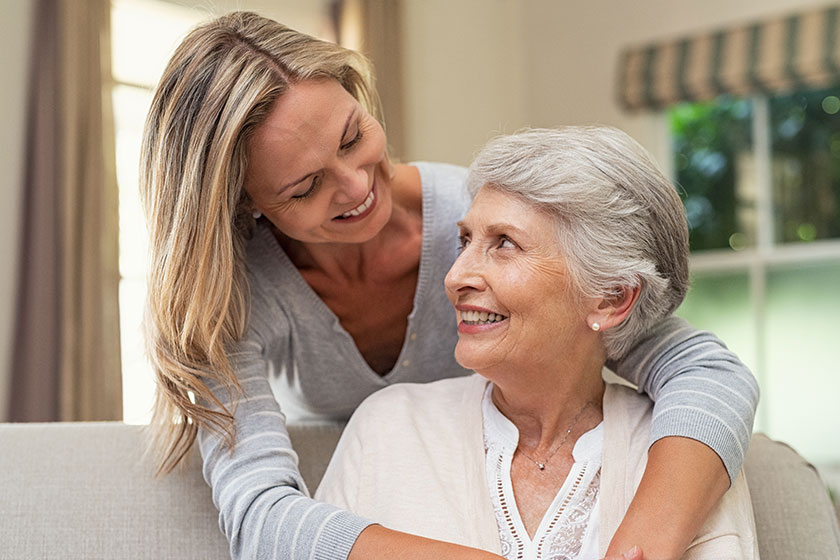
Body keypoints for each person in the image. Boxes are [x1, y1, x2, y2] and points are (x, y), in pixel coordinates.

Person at [140, 12, 759, 560]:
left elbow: (699, 366)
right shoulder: (231, 297)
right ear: (245, 204)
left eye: (353, 138)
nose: (357, 188)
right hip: (362, 505)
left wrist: (640, 545)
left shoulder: (480, 217)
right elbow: (260, 520)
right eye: (303, 187)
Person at [316, 126, 760, 559]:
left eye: (505, 243)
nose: (454, 277)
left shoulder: (686, 454)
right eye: (465, 240)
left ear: (611, 298)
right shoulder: (388, 427)